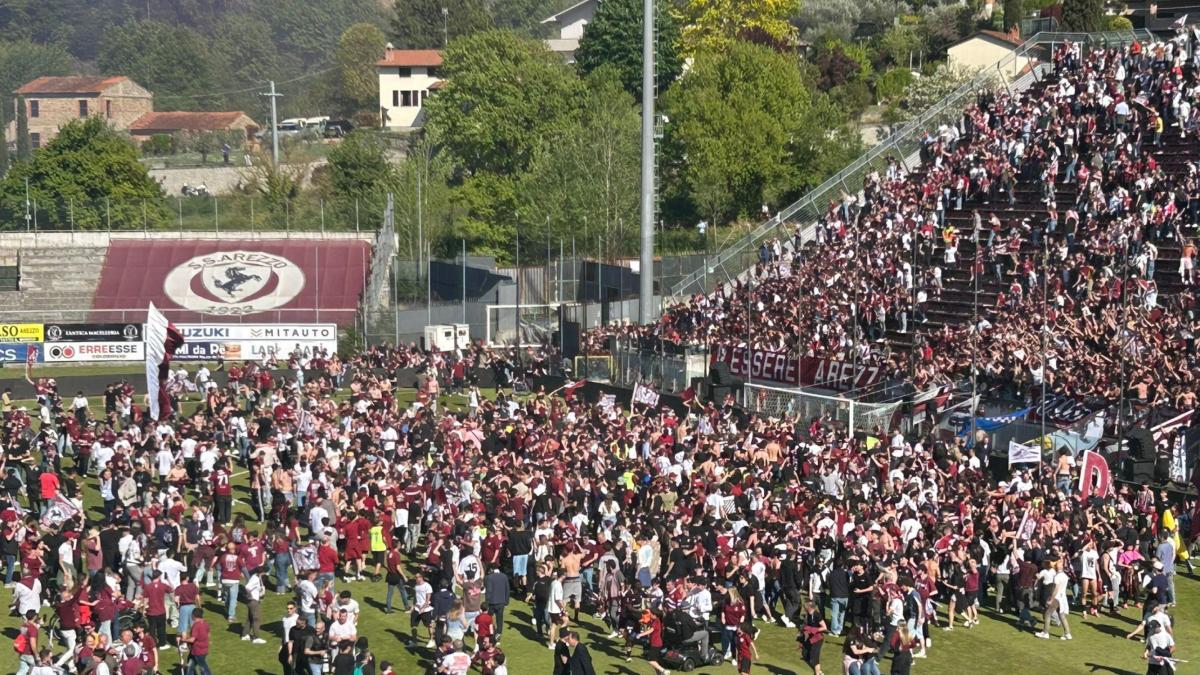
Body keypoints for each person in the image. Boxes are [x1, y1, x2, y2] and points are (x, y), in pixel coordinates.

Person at [799, 599, 826, 675]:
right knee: (805, 655)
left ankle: (817, 673)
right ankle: (818, 671)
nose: (804, 606)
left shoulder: (817, 615)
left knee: (814, 658)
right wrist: (802, 641)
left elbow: (824, 627)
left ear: (810, 607)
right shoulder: (808, 614)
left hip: (817, 638)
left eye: (806, 605)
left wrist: (814, 629)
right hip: (810, 637)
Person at [183, 608, 212, 675]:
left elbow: (192, 639)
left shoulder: (196, 625)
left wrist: (184, 639)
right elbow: (208, 634)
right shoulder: (205, 623)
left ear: (193, 616)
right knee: (191, 664)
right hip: (204, 649)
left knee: (203, 667)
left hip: (197, 650)